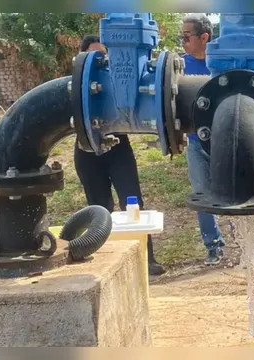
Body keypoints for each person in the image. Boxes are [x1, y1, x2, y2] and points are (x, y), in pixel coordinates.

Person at [74, 35, 166, 276]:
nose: (102, 61)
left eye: (105, 56)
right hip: (87, 152)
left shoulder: (118, 83)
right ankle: (105, 262)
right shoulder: (74, 86)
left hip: (118, 149)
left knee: (132, 203)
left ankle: (147, 260)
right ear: (83, 58)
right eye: (96, 56)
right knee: (99, 208)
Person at [179, 14, 226, 266]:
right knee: (202, 194)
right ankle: (214, 245)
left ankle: (244, 239)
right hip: (196, 143)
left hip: (225, 142)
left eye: (186, 36)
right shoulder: (179, 67)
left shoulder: (222, 64)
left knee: (232, 190)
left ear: (204, 37)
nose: (182, 41)